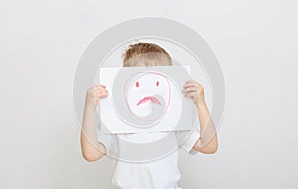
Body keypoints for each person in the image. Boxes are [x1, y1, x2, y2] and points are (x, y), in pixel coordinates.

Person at [80, 42, 218, 189]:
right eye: (139, 81)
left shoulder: (174, 122)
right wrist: (89, 107)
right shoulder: (116, 125)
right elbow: (90, 154)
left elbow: (209, 146)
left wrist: (201, 104)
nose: (148, 90)